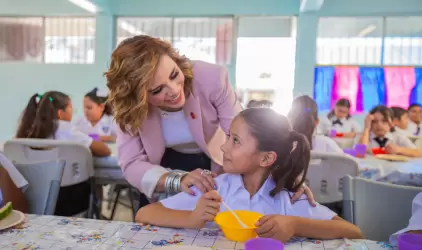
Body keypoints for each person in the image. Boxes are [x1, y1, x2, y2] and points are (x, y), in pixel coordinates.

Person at [105, 35, 315, 208]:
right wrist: (175, 180)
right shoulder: (129, 108)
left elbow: (249, 136)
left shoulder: (211, 78)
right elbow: (132, 163)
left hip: (217, 159)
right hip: (160, 168)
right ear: (137, 98)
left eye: (174, 74)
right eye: (157, 90)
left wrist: (286, 177)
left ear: (176, 61)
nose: (174, 90)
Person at [136, 108, 362, 242]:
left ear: (266, 158)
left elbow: (352, 231)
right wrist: (192, 218)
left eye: (235, 141)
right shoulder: (214, 189)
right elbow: (144, 214)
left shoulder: (288, 196)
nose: (224, 148)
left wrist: (295, 225)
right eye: (228, 137)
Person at [15, 91, 111, 216]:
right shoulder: (67, 130)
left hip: (32, 198)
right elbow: (105, 151)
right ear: (60, 113)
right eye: (71, 108)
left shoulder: (24, 132)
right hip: (69, 200)